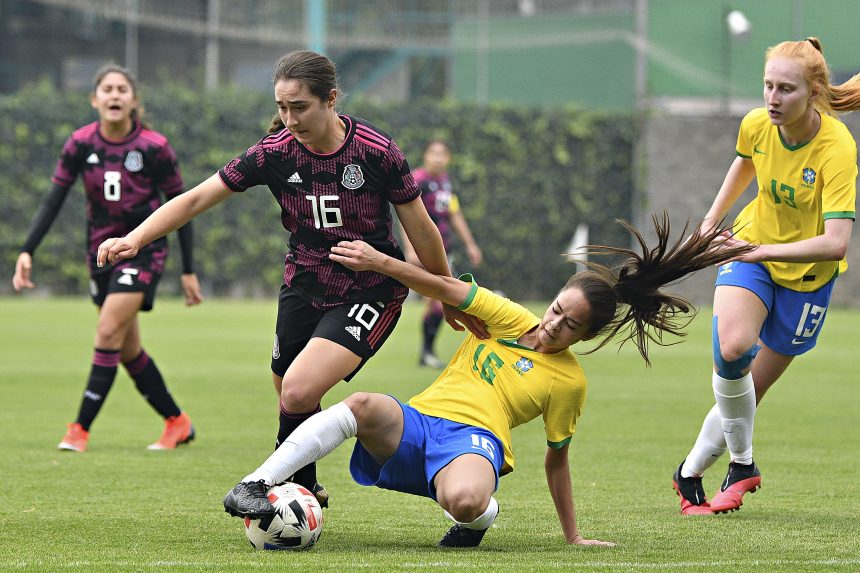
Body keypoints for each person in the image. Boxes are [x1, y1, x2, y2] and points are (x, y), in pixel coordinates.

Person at [222, 214, 754, 547]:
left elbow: (558, 460)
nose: (551, 325)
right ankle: (255, 484)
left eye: (569, 325)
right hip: (418, 421)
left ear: (586, 335)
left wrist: (573, 538)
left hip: (473, 444)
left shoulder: (568, 382)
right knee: (361, 403)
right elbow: (442, 286)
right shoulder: (508, 317)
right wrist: (381, 262)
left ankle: (480, 518)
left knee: (468, 502)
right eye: (554, 310)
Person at [97, 51, 485, 506]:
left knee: (300, 387)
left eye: (299, 107)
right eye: (282, 107)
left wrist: (449, 294)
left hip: (370, 289)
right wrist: (137, 238)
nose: (289, 118)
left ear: (331, 99)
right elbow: (197, 197)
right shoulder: (274, 153)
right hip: (303, 283)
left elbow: (423, 230)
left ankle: (267, 486)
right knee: (288, 388)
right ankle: (307, 490)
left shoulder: (377, 152)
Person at [672, 37, 859, 515]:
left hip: (808, 278)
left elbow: (836, 242)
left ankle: (691, 469)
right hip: (752, 248)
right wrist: (711, 226)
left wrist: (759, 251)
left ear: (814, 92)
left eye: (786, 89)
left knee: (750, 388)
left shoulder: (837, 146)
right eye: (768, 87)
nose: (773, 99)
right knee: (732, 350)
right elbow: (744, 164)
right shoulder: (757, 124)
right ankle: (743, 462)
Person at [11, 64, 203, 452]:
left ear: (134, 100)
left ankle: (79, 429)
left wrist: (187, 269)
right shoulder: (80, 143)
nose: (115, 95)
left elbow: (181, 206)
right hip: (99, 255)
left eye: (122, 89)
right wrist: (27, 249)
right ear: (94, 99)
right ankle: (177, 421)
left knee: (106, 332)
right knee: (126, 347)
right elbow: (54, 199)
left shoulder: (154, 147)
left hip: (143, 252)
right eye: (107, 89)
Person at [400, 139, 484, 368]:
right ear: (425, 155)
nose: (437, 158)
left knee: (437, 303)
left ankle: (426, 353)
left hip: (444, 252)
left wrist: (471, 245)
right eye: (433, 153)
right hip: (425, 251)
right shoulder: (418, 180)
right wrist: (411, 249)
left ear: (449, 158)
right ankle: (426, 353)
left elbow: (455, 215)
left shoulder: (445, 183)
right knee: (438, 302)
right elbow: (406, 215)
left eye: (442, 153)